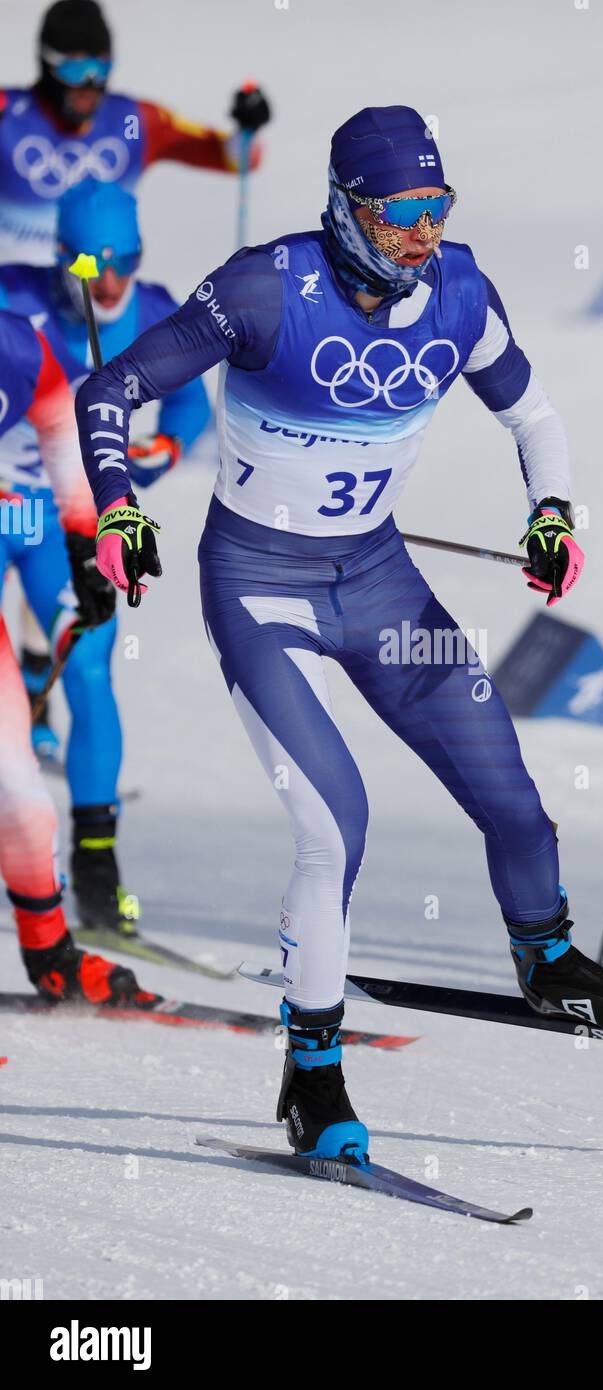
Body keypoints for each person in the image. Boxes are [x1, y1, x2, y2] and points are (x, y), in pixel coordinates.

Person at [75, 105, 603, 1162]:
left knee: (512, 797)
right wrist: (121, 506)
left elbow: (531, 415)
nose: (421, 232)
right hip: (259, 587)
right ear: (345, 207)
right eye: (398, 211)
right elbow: (111, 386)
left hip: (381, 583)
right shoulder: (264, 288)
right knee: (333, 822)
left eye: (435, 207)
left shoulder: (458, 291)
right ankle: (312, 1073)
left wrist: (550, 514)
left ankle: (547, 963)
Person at [0, 177, 211, 936]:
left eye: (126, 260)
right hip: (4, 507)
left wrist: (168, 444)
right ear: (62, 259)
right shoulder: (14, 300)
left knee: (90, 664)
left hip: (77, 518)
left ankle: (95, 866)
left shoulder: (156, 310)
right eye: (94, 266)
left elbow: (191, 401)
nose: (112, 281)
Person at [0, 307, 154, 1005]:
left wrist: (86, 541)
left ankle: (57, 943)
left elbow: (61, 419)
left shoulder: (16, 343)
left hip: (24, 515)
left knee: (23, 794)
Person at [0, 0, 270, 266]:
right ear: (48, 63)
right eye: (76, 69)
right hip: (12, 298)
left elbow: (235, 158)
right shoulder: (8, 114)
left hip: (102, 294)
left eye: (102, 66)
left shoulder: (132, 121)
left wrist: (248, 127)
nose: (90, 83)